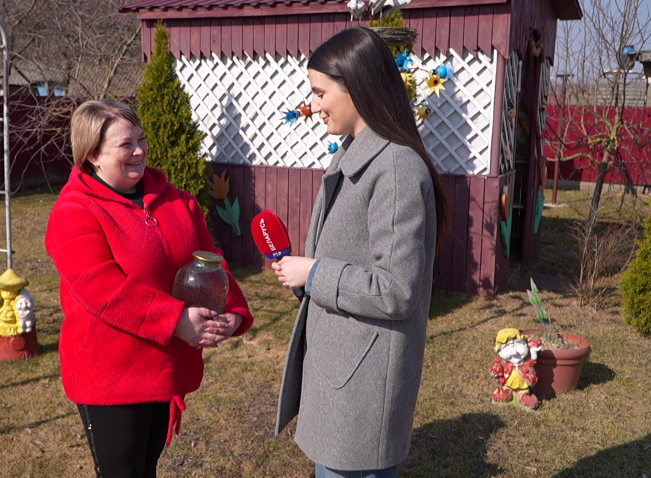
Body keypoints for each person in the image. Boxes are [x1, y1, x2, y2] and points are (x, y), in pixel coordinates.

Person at [271, 27, 450, 478]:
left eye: (319, 91)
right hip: (343, 369)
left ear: (357, 87)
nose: (310, 104)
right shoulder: (356, 151)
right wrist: (305, 275)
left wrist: (314, 273)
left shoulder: (394, 168)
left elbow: (396, 290)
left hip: (361, 384)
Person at [45, 99, 254, 478]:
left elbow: (212, 261)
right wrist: (176, 320)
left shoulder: (178, 202)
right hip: (109, 375)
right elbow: (103, 289)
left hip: (164, 368)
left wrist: (232, 313)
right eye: (126, 145)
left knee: (147, 468)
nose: (139, 151)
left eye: (141, 140)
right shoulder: (74, 211)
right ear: (92, 155)